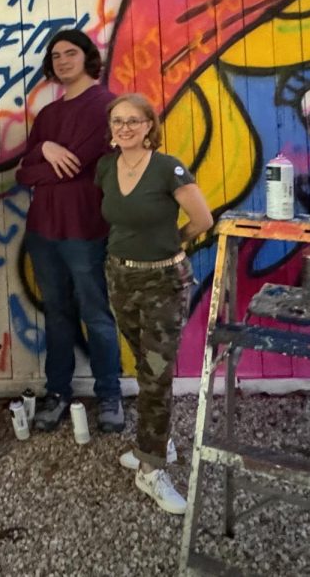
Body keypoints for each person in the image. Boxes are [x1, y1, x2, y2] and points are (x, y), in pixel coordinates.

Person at [95, 92, 213, 514]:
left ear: (149, 126)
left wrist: (170, 246)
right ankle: (157, 440)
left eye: (133, 120)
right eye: (117, 121)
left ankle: (151, 468)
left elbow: (202, 220)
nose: (124, 127)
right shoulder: (106, 167)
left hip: (164, 279)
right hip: (119, 275)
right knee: (144, 364)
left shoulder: (168, 168)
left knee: (156, 372)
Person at [16, 29, 123, 434]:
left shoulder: (106, 106)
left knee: (96, 313)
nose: (62, 60)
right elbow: (24, 172)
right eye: (55, 55)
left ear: (88, 57)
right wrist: (45, 150)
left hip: (85, 228)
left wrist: (49, 164)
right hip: (43, 232)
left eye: (70, 53)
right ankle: (57, 391)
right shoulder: (48, 116)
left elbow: (78, 166)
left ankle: (109, 394)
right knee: (57, 315)